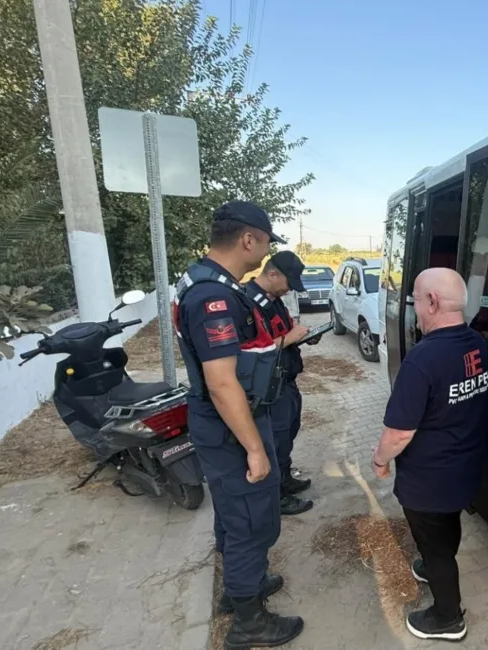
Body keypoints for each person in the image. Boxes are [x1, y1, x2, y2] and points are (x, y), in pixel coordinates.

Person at [172, 201, 304, 649]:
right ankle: (249, 623)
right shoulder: (215, 296)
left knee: (234, 515)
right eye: (267, 242)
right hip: (231, 424)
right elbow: (222, 381)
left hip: (223, 421)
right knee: (251, 520)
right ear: (249, 239)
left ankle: (239, 589)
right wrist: (254, 448)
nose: (267, 251)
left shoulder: (201, 279)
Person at [371, 268, 488, 642]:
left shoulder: (422, 359)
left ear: (433, 302)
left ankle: (448, 618)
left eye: (417, 302)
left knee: (434, 543)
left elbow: (399, 432)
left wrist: (379, 460)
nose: (416, 311)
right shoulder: (476, 343)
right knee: (445, 525)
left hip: (429, 479)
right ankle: (436, 561)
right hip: (463, 469)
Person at [245, 250, 315, 515]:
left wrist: (301, 337)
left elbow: (282, 334)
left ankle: (285, 479)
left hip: (287, 380)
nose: (289, 290)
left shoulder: (273, 300)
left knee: (287, 434)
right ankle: (277, 496)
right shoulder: (248, 302)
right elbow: (251, 352)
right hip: (269, 388)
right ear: (272, 274)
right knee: (275, 441)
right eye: (288, 283)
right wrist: (290, 338)